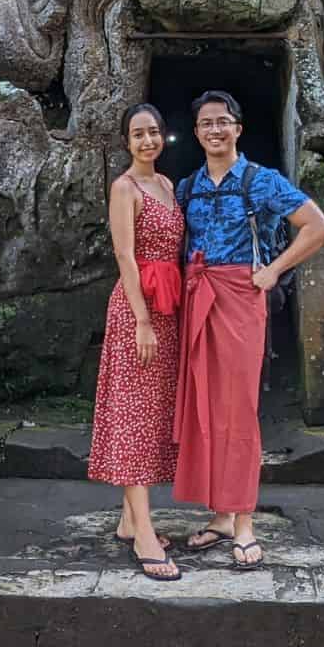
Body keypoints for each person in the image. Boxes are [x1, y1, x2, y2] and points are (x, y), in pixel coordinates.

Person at [174, 90, 324, 571]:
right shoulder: (187, 187)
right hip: (196, 295)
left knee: (239, 410)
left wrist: (273, 272)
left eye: (223, 121)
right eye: (206, 123)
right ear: (197, 132)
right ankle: (220, 516)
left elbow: (317, 227)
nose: (214, 130)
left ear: (238, 128)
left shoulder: (261, 181)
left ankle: (244, 522)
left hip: (242, 298)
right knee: (205, 406)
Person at [87, 103, 184, 581]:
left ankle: (129, 520)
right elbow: (125, 256)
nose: (147, 141)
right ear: (127, 142)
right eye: (137, 134)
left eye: (153, 132)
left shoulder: (166, 186)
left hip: (168, 308)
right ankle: (143, 531)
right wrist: (142, 321)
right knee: (133, 416)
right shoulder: (124, 188)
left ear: (163, 137)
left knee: (153, 414)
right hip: (137, 309)